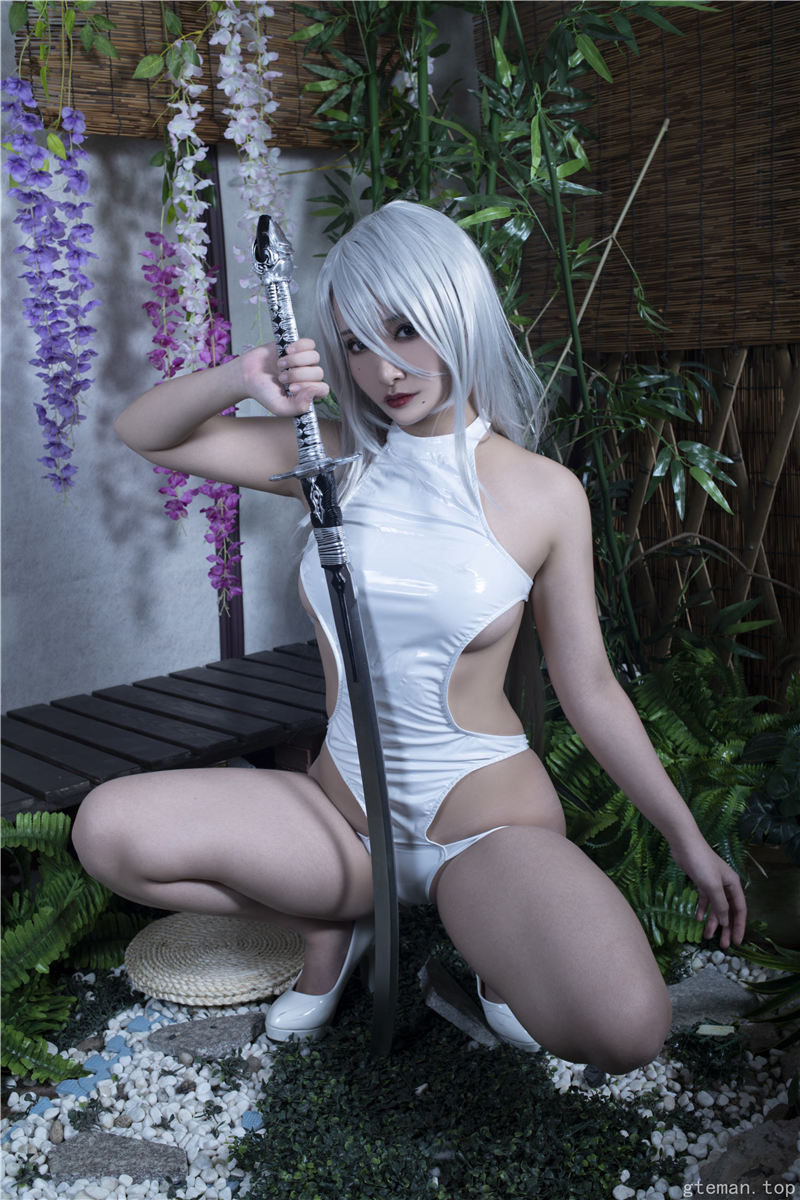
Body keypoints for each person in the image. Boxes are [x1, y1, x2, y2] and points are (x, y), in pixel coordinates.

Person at [72, 201, 746, 1072]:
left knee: (624, 1030)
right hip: (341, 824)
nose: (385, 369)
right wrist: (245, 374)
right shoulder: (333, 457)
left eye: (405, 329)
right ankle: (331, 923)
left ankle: (492, 955)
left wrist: (686, 836)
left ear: (457, 310)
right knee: (106, 831)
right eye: (356, 343)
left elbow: (590, 688)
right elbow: (146, 434)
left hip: (487, 828)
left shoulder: (545, 494)